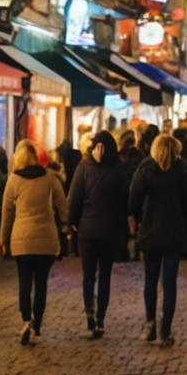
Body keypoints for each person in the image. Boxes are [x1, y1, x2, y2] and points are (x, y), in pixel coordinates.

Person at [129, 132, 187, 346]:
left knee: (150, 281)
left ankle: (150, 324)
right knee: (169, 283)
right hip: (174, 231)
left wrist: (134, 218)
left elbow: (134, 195)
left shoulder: (147, 167)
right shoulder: (182, 168)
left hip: (151, 230)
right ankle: (165, 329)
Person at [0, 139, 68, 345]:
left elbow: (7, 213)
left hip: (22, 240)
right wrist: (66, 224)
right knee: (41, 284)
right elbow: (62, 206)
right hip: (46, 240)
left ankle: (26, 320)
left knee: (24, 282)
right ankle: (37, 325)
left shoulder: (13, 180)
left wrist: (3, 239)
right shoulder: (49, 177)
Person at [67, 130, 131, 338]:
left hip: (87, 230)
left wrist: (73, 222)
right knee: (105, 275)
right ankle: (101, 318)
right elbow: (125, 200)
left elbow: (74, 198)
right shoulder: (119, 170)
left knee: (88, 275)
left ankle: (89, 312)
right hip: (110, 230)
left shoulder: (84, 168)